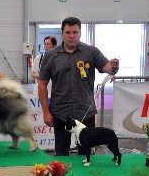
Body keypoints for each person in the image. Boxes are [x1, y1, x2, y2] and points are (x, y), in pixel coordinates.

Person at [38, 16, 119, 156]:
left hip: (85, 112)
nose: (71, 36)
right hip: (60, 113)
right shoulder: (50, 56)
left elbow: (108, 68)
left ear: (80, 33)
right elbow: (42, 83)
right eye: (68, 32)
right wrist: (46, 112)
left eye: (75, 32)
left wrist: (114, 67)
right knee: (61, 154)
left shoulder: (92, 52)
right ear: (62, 33)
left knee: (86, 153)